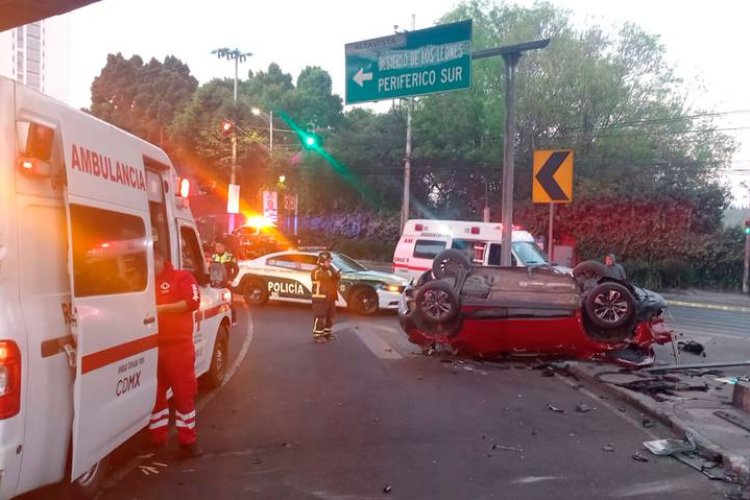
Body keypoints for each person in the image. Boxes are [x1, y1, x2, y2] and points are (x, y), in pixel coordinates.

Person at [148, 248, 204, 457]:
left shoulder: (182, 277)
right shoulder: (144, 281)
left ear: (161, 259)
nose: (150, 267)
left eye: (152, 261)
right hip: (152, 346)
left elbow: (192, 302)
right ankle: (157, 437)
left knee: (184, 394)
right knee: (156, 395)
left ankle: (188, 441)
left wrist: (162, 309)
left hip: (178, 347)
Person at [311, 251, 341, 343]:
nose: (329, 263)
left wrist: (337, 276)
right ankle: (317, 335)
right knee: (320, 316)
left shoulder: (330, 268)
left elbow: (335, 276)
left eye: (329, 261)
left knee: (330, 316)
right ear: (322, 261)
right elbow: (320, 276)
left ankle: (326, 333)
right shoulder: (316, 270)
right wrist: (330, 273)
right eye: (328, 261)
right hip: (320, 297)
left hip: (330, 296)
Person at [211, 239, 239, 324]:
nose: (217, 248)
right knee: (215, 301)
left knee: (229, 301)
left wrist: (231, 279)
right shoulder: (214, 256)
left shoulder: (230, 257)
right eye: (216, 246)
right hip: (216, 282)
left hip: (226, 282)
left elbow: (236, 269)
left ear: (224, 247)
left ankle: (233, 319)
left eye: (219, 246)